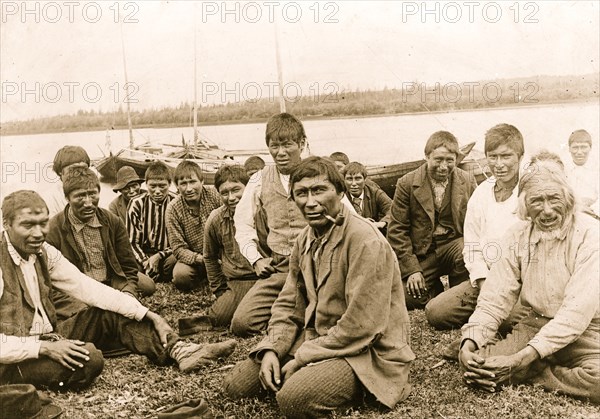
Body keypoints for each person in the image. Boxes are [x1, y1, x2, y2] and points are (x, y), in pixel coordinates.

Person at [224, 157, 414, 417]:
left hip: (367, 351)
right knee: (237, 385)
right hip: (319, 339)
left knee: (293, 399)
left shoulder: (365, 240)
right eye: (301, 193)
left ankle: (361, 387)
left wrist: (302, 358)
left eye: (319, 190)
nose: (310, 202)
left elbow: (362, 326)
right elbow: (288, 304)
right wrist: (272, 348)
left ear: (340, 192)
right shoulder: (306, 239)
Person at [0, 190, 237, 391]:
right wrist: (45, 348)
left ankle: (179, 350)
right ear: (6, 224)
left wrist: (147, 313)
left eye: (43, 223)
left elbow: (88, 288)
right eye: (27, 225)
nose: (39, 233)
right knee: (91, 359)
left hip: (51, 336)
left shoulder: (44, 252)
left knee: (111, 311)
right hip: (14, 358)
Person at [459, 160, 599, 403]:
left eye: (554, 199)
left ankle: (534, 371)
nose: (546, 210)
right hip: (536, 322)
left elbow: (577, 313)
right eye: (536, 201)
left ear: (568, 199)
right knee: (477, 366)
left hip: (588, 329)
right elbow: (494, 297)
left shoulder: (590, 234)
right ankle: (526, 361)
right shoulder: (516, 235)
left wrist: (521, 359)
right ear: (524, 205)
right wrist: (469, 342)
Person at [233, 113, 356, 337]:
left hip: (323, 265)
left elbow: (350, 217)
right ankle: (296, 309)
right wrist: (256, 258)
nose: (280, 153)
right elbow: (242, 224)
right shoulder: (260, 178)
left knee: (328, 321)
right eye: (274, 146)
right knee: (242, 323)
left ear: (301, 143)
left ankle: (302, 313)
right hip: (281, 267)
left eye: (287, 145)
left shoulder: (322, 172)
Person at [425, 124, 527, 329]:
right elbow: (471, 244)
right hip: (487, 279)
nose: (499, 164)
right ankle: (488, 310)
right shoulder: (482, 193)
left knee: (509, 319)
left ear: (520, 156)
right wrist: (483, 281)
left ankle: (497, 313)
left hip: (521, 281)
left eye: (506, 156)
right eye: (493, 157)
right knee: (435, 312)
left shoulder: (529, 191)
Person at [46, 167, 155, 321]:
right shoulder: (53, 229)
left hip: (111, 282)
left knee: (146, 286)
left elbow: (128, 267)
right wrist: (78, 306)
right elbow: (51, 282)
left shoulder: (113, 222)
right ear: (67, 198)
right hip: (78, 291)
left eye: (93, 194)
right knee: (89, 315)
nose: (88, 203)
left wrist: (128, 293)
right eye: (80, 196)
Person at [387, 131, 477, 310]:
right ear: (427, 156)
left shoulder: (467, 180)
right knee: (407, 299)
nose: (444, 167)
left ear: (456, 159)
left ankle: (456, 292)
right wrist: (412, 270)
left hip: (454, 248)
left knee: (462, 248)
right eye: (438, 159)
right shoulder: (406, 183)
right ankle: (435, 289)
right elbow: (397, 230)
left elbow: (478, 221)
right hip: (423, 254)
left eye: (450, 160)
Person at [178, 165, 258, 334]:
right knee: (219, 317)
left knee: (243, 322)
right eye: (224, 193)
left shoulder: (262, 212)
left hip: (264, 278)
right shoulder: (215, 219)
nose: (231, 198)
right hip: (238, 281)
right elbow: (209, 257)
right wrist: (220, 290)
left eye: (236, 190)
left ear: (248, 187)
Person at [166, 161, 222, 291]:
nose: (189, 188)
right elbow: (178, 248)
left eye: (192, 182)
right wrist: (201, 259)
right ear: (176, 186)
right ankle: (203, 275)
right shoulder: (173, 208)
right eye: (183, 184)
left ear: (202, 181)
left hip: (219, 253)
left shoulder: (215, 195)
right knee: (181, 277)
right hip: (195, 258)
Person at [127, 162, 177, 283]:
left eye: (162, 186)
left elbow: (181, 242)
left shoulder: (176, 202)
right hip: (144, 253)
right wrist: (145, 261)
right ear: (146, 184)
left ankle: (159, 275)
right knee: (132, 265)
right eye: (153, 186)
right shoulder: (136, 204)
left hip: (168, 254)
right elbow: (132, 241)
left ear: (169, 184)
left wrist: (159, 256)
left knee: (173, 261)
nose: (157, 191)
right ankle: (151, 273)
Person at [44, 146, 93, 217]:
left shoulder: (93, 191)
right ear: (60, 171)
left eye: (84, 169)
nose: (80, 173)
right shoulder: (50, 198)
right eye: (74, 169)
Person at [342, 161, 391, 232]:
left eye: (358, 178)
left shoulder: (375, 193)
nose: (353, 183)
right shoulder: (340, 196)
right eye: (349, 179)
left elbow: (393, 209)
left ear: (365, 180)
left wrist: (382, 223)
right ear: (344, 180)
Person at [564, 129, 599, 215]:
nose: (579, 152)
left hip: (592, 214)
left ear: (590, 148)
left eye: (583, 147)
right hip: (569, 214)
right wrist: (577, 207)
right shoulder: (563, 171)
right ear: (569, 149)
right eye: (575, 147)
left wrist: (591, 209)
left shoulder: (597, 171)